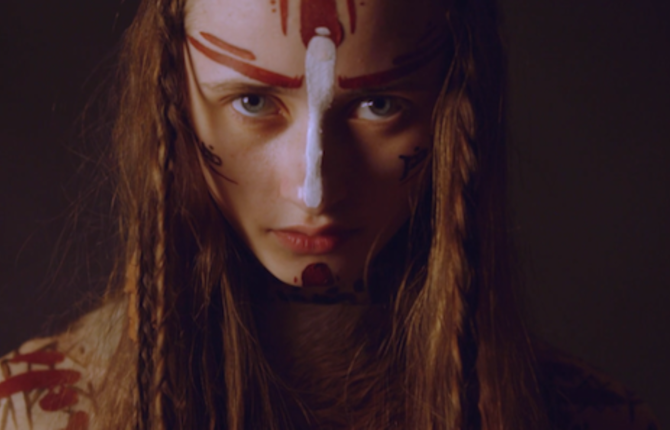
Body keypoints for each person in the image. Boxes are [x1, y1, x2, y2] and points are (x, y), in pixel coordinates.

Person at [0, 0, 659, 429]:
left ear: (457, 110)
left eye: (379, 106)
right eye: (253, 102)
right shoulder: (29, 415)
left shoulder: (593, 419)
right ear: (171, 102)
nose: (312, 190)